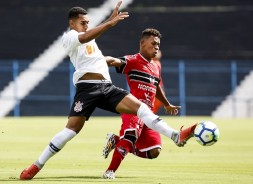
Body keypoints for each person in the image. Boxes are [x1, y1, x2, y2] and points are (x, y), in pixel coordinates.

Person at [19, 1, 196, 180]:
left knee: (142, 108)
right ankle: (36, 166)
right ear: (72, 23)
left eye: (88, 22)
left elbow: (92, 39)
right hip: (87, 89)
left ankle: (176, 135)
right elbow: (85, 37)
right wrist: (110, 23)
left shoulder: (90, 37)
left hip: (106, 87)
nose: (87, 25)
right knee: (71, 131)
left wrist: (108, 23)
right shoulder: (69, 37)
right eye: (83, 22)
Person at [101, 29, 197, 179]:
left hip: (149, 113)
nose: (156, 47)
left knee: (154, 151)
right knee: (131, 137)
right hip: (133, 109)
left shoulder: (156, 66)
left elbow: (156, 85)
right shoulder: (133, 60)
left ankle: (117, 141)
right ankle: (109, 171)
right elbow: (114, 61)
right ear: (142, 43)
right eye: (153, 43)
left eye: (158, 44)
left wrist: (167, 104)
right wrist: (98, 60)